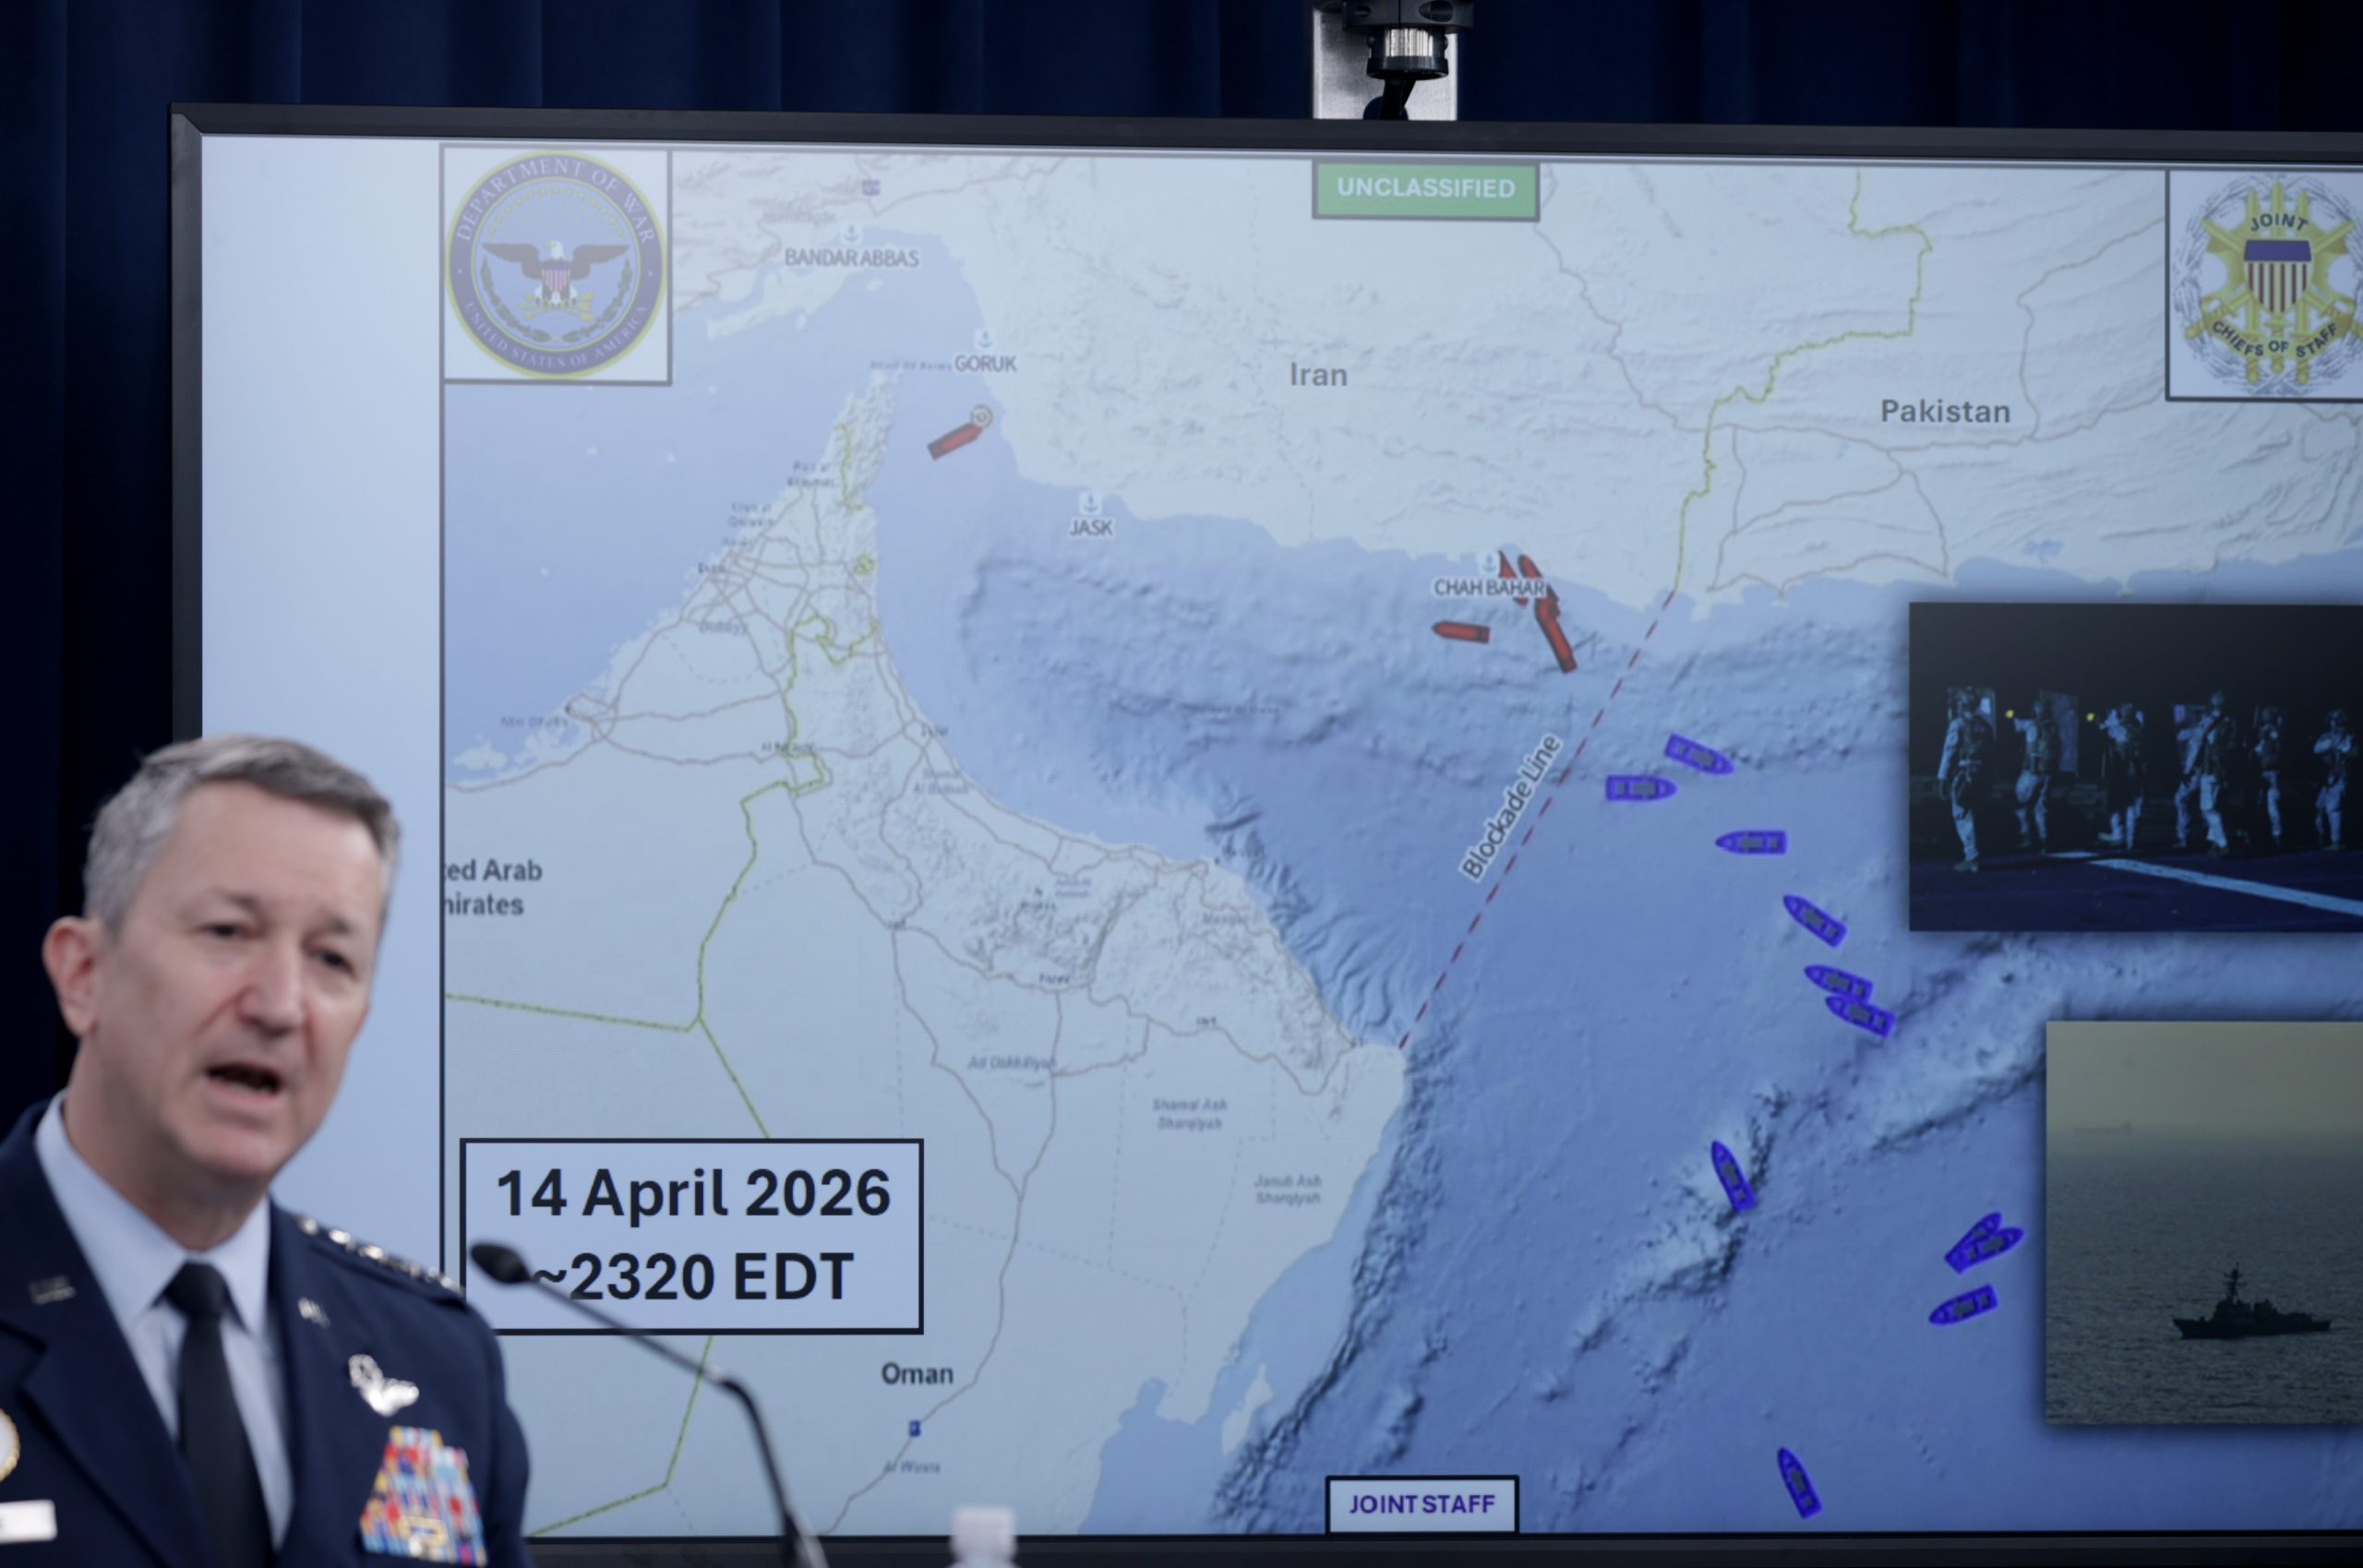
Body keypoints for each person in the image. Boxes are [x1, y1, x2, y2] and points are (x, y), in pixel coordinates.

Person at [0, 736, 532, 1565]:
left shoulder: (436, 1359)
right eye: (228, 931)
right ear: (83, 974)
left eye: (332, 958)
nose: (282, 1005)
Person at [1937, 689, 1992, 872]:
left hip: (1964, 772)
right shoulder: (1984, 725)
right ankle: (1975, 854)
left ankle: (1972, 858)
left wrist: (1942, 777)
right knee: (1975, 812)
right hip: (1982, 772)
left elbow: (1950, 751)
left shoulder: (1958, 724)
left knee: (1962, 813)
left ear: (1963, 704)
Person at [2174, 692, 2233, 856]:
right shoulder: (2230, 721)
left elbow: (2196, 747)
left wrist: (2187, 771)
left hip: (2208, 769)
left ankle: (2222, 844)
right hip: (2219, 769)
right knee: (2213, 805)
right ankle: (2214, 842)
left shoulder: (2209, 722)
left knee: (2206, 807)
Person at [2010, 696, 2058, 855]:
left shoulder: (2033, 725)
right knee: (2041, 808)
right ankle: (2045, 842)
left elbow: (2032, 749)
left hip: (2032, 772)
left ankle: (2025, 838)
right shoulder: (2052, 727)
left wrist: (2032, 768)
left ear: (2035, 710)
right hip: (2048, 773)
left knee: (2019, 802)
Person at [2100, 702, 2147, 850]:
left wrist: (2111, 717)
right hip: (2136, 772)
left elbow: (2103, 727)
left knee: (2117, 804)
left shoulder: (2118, 730)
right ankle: (2131, 839)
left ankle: (2119, 835)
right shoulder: (2139, 730)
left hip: (2122, 771)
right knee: (2133, 806)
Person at [2319, 709, 2354, 850]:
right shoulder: (2326, 737)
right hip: (2325, 777)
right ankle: (2323, 839)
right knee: (2320, 808)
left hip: (2339, 776)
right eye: (2332, 720)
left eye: (2336, 720)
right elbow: (2317, 749)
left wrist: (2338, 748)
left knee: (2334, 809)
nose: (2333, 723)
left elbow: (2349, 752)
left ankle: (2336, 841)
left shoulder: (2349, 738)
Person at [2253, 705, 2287, 850]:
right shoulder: (2263, 733)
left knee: (2273, 805)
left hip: (2272, 773)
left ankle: (2277, 835)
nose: (2264, 717)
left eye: (2267, 714)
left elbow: (2277, 748)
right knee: (2260, 804)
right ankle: (2263, 835)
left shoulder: (2274, 732)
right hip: (2261, 773)